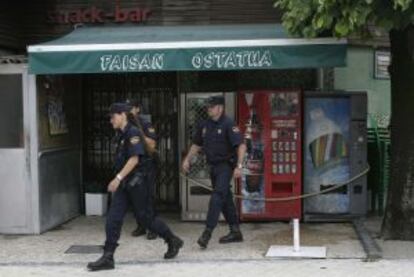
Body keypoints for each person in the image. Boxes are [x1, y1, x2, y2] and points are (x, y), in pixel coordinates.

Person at [87, 103, 183, 271]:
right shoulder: (121, 134)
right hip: (125, 184)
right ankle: (108, 257)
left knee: (146, 219)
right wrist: (120, 179)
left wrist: (117, 178)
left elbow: (134, 160)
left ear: (122, 115)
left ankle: (172, 239)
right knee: (113, 218)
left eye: (113, 116)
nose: (111, 120)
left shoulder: (133, 133)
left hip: (137, 183)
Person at [182, 96, 247, 249]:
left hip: (225, 166)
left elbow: (241, 145)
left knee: (217, 196)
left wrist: (239, 165)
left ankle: (207, 233)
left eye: (212, 106)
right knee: (225, 199)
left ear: (220, 108)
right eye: (208, 106)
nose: (209, 109)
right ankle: (235, 231)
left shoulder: (228, 124)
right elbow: (197, 145)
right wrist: (187, 159)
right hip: (212, 167)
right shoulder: (204, 125)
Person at [127, 100, 158, 240]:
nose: (128, 110)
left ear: (137, 109)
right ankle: (141, 225)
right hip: (132, 165)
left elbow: (152, 144)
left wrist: (139, 132)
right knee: (136, 197)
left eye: (131, 108)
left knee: (148, 197)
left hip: (146, 164)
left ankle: (153, 227)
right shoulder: (125, 125)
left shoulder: (145, 124)